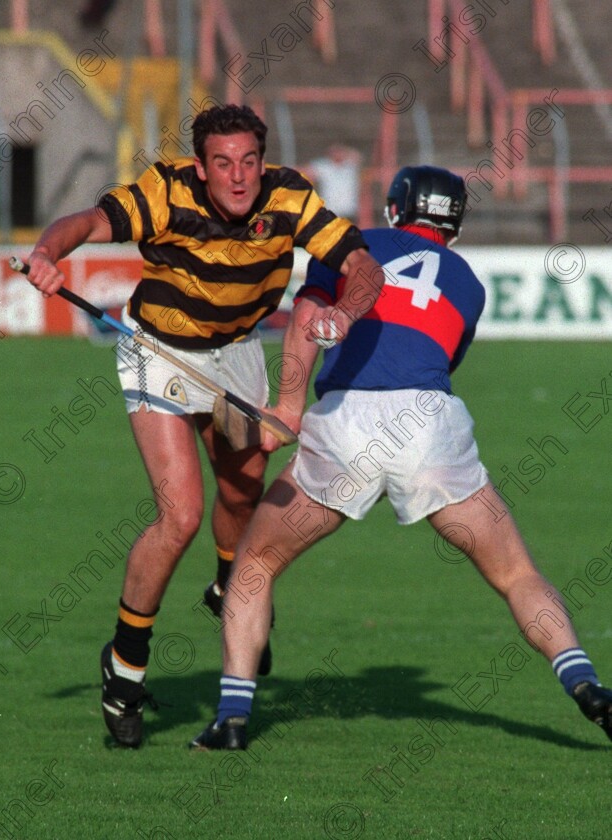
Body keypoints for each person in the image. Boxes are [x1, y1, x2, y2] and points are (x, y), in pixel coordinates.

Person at [191, 164, 612, 750]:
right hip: (429, 423)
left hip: (346, 422)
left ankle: (232, 719)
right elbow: (434, 359)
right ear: (454, 223)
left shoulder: (348, 246)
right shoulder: (469, 282)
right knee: (517, 574)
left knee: (255, 563)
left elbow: (309, 323)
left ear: (396, 208)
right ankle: (586, 683)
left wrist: (288, 407)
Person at [24, 104, 383, 748]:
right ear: (201, 166)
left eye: (249, 161)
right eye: (223, 164)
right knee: (181, 513)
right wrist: (48, 254)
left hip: (237, 354)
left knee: (244, 495)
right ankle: (125, 664)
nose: (239, 177)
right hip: (158, 351)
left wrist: (349, 314)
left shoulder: (291, 197)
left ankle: (228, 585)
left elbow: (363, 266)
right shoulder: (166, 191)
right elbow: (85, 220)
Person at [301, 144, 362, 222]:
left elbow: (357, 156)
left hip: (349, 211)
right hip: (331, 211)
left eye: (339, 151)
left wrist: (345, 152)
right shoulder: (324, 166)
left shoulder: (350, 166)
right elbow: (306, 171)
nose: (337, 154)